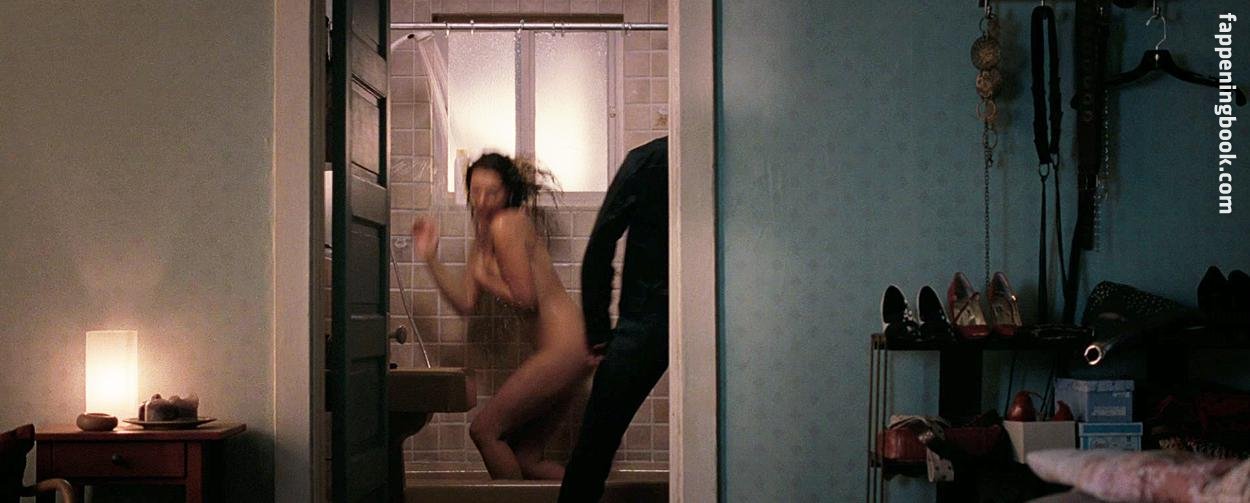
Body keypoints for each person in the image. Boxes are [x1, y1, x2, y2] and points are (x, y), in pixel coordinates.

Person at [412, 153, 595, 480]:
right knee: (527, 459)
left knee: (485, 431)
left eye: (492, 192)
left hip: (565, 347)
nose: (482, 201)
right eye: (475, 191)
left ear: (508, 193)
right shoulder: (484, 238)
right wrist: (430, 259)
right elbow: (466, 304)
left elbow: (526, 299)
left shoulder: (506, 223)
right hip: (572, 347)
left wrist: (483, 277)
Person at [559, 136, 669, 502]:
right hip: (708, 309)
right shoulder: (725, 150)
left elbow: (601, 242)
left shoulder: (647, 160)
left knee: (595, 444)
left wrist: (599, 331)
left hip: (647, 313)